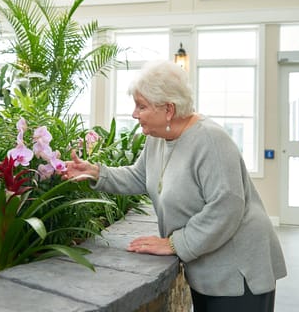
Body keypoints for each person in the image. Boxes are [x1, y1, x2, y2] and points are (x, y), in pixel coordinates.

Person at [63, 59, 287, 312]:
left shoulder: (211, 140)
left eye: (141, 106)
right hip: (209, 269)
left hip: (238, 270)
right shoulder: (158, 139)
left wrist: (174, 244)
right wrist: (96, 173)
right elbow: (140, 177)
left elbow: (227, 207)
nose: (135, 114)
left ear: (168, 109)